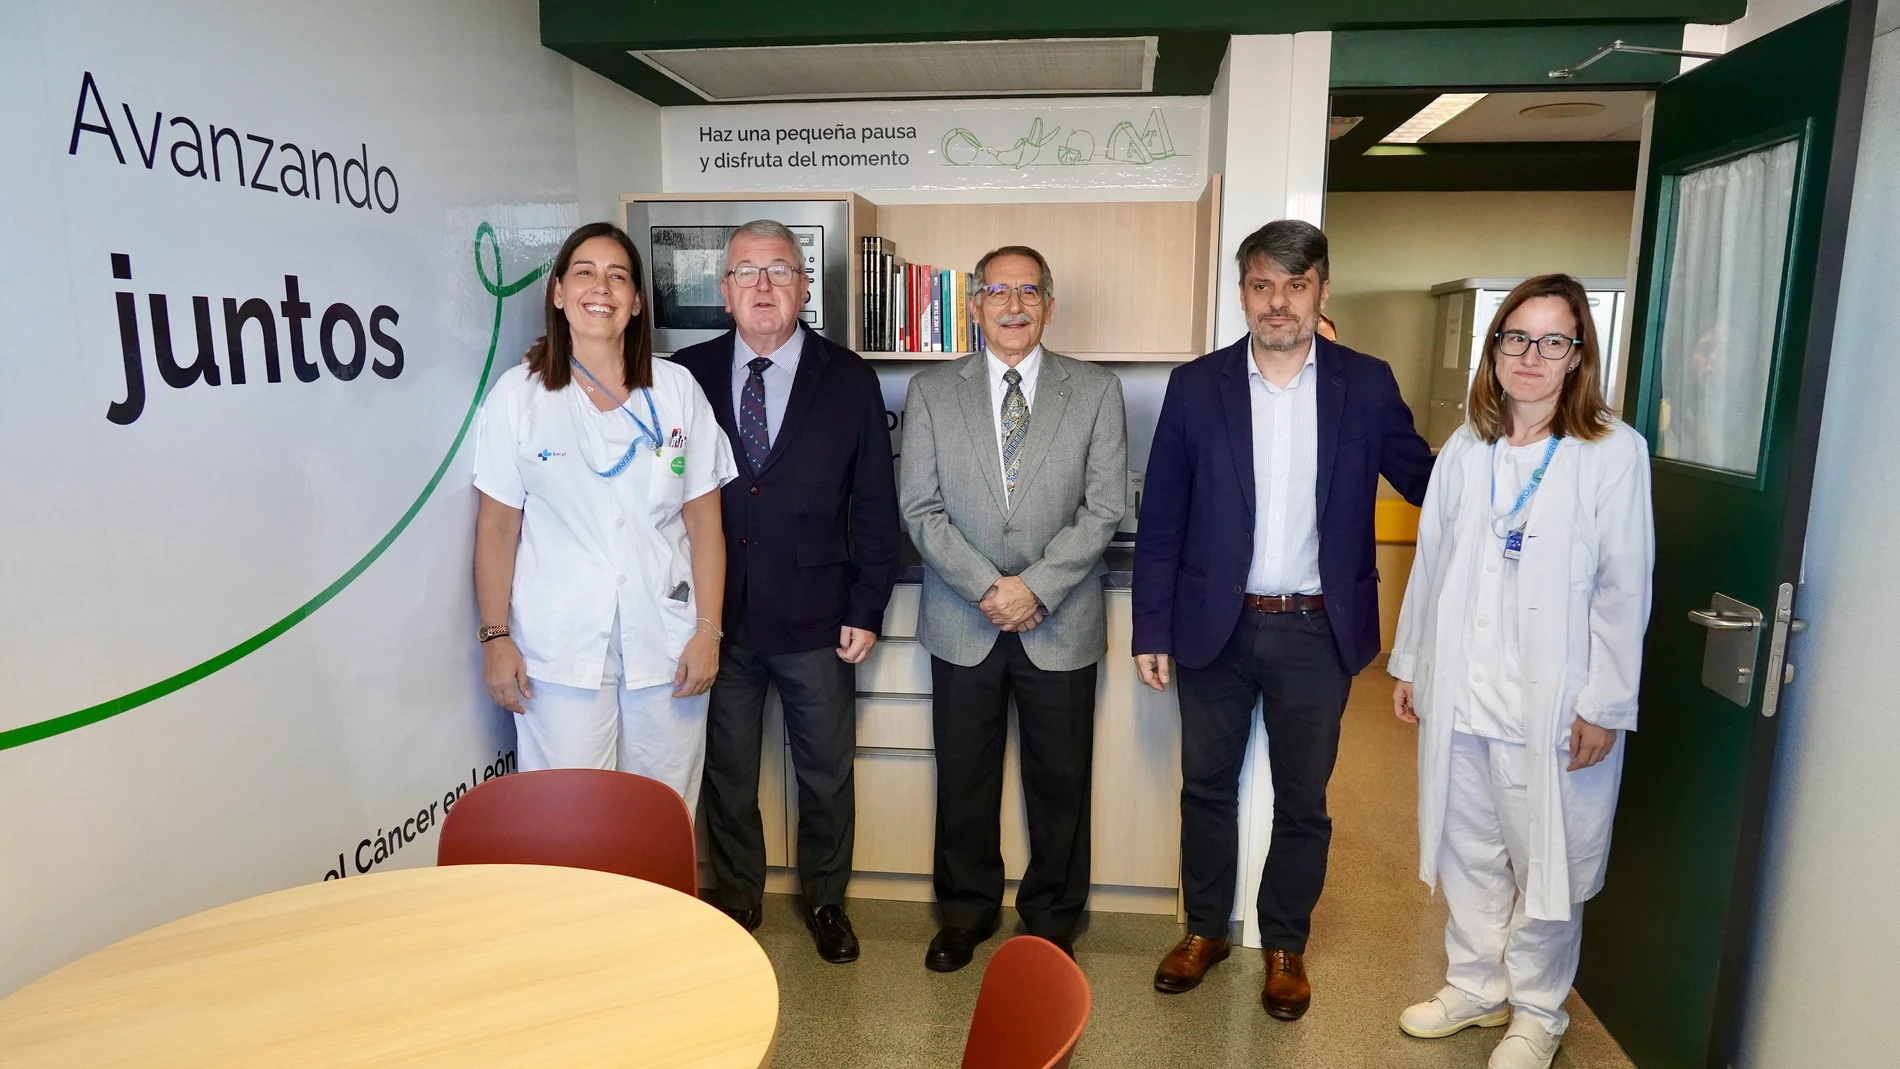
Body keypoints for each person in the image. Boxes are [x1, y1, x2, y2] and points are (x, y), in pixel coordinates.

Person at [1133, 219, 1434, 1018]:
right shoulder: (1196, 386)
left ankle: (1285, 943)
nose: (1278, 302)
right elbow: (1162, 515)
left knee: (1304, 799)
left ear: (1322, 291)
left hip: (1315, 629)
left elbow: (1425, 480)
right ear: (1244, 293)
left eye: (1295, 286)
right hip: (1214, 626)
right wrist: (1151, 629)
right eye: (1263, 285)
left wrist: (1514, 469)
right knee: (1207, 788)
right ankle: (1204, 930)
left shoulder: (1363, 383)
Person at [1389, 274, 1653, 1069]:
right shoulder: (1467, 448)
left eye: (1552, 341)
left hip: (1554, 700)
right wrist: (1411, 664)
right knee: (1468, 846)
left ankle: (1538, 1008)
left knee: (1548, 857)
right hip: (1465, 688)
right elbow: (1430, 565)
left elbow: (1623, 587)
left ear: (1577, 356)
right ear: (1494, 349)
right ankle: (1475, 983)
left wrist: (1605, 702)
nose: (1531, 356)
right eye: (1516, 337)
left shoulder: (1612, 451)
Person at [674, 220, 900, 964]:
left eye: (779, 270)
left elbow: (873, 501)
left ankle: (827, 901)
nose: (763, 286)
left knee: (826, 773)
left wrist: (868, 605)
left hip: (819, 618)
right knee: (728, 772)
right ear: (724, 289)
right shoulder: (684, 373)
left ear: (805, 286)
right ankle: (737, 898)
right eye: (746, 271)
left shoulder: (850, 376)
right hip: (717, 618)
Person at [900, 245, 1126, 970]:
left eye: (1029, 291)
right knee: (964, 778)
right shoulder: (931, 392)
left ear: (1049, 305)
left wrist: (1036, 586)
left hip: (1059, 620)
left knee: (1060, 781)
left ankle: (1053, 917)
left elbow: (1104, 507)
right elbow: (921, 507)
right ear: (974, 305)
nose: (1014, 305)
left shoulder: (1094, 390)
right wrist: (988, 588)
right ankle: (964, 912)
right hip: (962, 619)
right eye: (998, 291)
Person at [472, 222, 736, 811]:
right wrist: (495, 637)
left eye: (618, 276)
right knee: (569, 821)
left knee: (660, 816)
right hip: (556, 650)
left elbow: (704, 526)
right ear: (559, 293)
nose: (602, 288)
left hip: (667, 645)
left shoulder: (676, 390)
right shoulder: (518, 396)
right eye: (585, 273)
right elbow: (496, 527)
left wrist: (708, 631)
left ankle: (660, 909)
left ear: (637, 301)